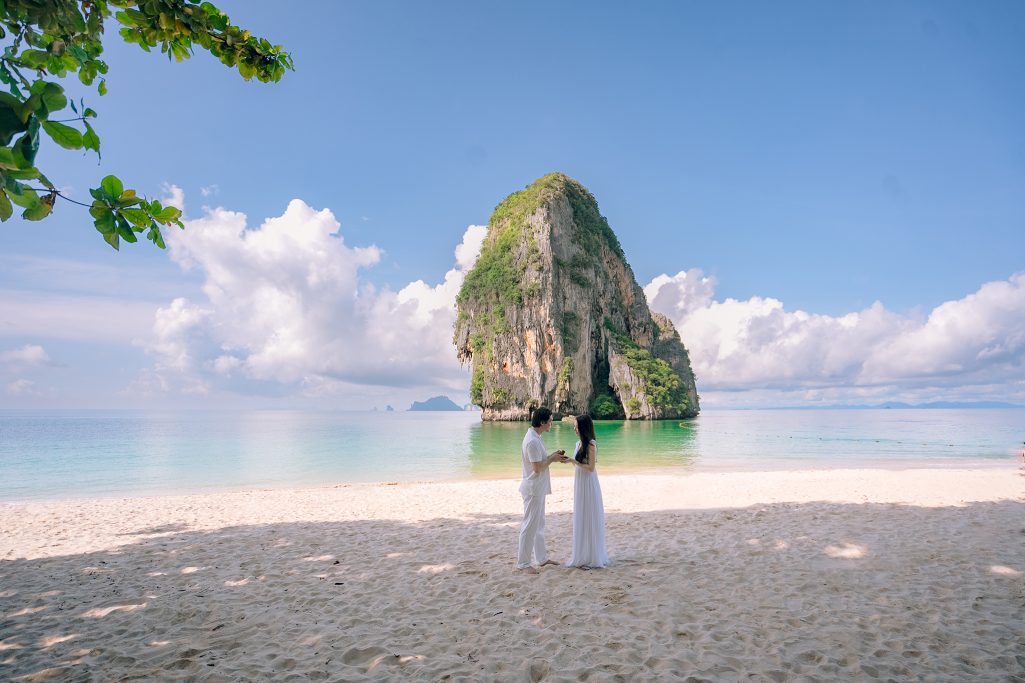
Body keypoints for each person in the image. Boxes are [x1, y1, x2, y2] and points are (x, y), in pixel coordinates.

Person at [516, 406, 567, 573]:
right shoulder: (531, 441)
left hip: (538, 488)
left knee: (539, 524)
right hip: (532, 489)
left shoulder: (536, 437)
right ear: (543, 422)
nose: (552, 423)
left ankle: (541, 558)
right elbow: (537, 468)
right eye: (551, 420)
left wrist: (553, 455)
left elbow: (540, 462)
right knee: (529, 524)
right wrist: (552, 458)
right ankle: (523, 563)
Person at [566, 414, 609, 569]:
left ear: (583, 428)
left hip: (588, 483)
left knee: (589, 516)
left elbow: (590, 468)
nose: (574, 429)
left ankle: (591, 556)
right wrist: (570, 461)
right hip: (580, 482)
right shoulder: (578, 444)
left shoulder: (591, 444)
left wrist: (573, 461)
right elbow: (578, 464)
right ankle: (583, 554)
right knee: (581, 515)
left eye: (576, 426)